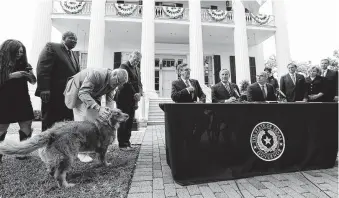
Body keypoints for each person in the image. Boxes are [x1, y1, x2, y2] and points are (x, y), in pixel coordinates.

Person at [64, 68, 128, 162]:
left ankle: (92, 147)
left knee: (94, 121)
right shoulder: (97, 74)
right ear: (113, 75)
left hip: (91, 95)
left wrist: (109, 112)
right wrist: (98, 108)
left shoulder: (114, 82)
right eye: (117, 82)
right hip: (78, 91)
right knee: (83, 121)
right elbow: (83, 93)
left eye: (120, 84)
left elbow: (109, 100)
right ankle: (81, 153)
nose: (117, 85)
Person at [35, 31, 80, 131]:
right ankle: (48, 143)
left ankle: (63, 144)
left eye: (76, 40)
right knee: (51, 120)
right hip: (53, 93)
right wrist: (44, 88)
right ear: (63, 39)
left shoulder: (74, 55)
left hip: (68, 94)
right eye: (71, 38)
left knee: (65, 122)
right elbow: (43, 68)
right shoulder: (52, 47)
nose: (74, 41)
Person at [0, 39, 36, 162]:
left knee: (26, 123)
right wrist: (12, 75)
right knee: (2, 126)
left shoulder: (25, 64)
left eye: (21, 52)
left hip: (22, 98)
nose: (20, 54)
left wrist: (28, 74)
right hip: (3, 100)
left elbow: (33, 81)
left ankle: (22, 151)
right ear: (9, 51)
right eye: (17, 51)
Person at [114, 51, 143, 150]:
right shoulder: (124, 66)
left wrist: (140, 93)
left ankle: (127, 141)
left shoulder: (137, 69)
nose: (136, 62)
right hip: (123, 98)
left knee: (130, 121)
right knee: (123, 121)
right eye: (135, 59)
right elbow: (127, 82)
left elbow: (139, 83)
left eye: (138, 61)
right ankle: (122, 144)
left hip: (133, 99)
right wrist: (136, 93)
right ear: (130, 57)